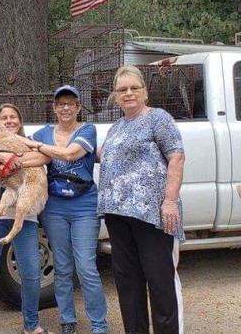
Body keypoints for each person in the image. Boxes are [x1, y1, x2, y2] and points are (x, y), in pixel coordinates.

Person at [98, 65, 186, 334]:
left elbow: (177, 157)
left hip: (152, 215)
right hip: (118, 215)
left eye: (134, 87)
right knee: (128, 283)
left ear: (145, 92)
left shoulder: (158, 119)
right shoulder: (116, 127)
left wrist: (169, 201)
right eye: (122, 89)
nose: (128, 93)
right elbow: (103, 156)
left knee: (159, 283)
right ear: (115, 96)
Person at [21, 86, 109, 334]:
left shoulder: (87, 130)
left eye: (71, 103)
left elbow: (70, 155)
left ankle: (99, 323)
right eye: (61, 104)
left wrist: (40, 148)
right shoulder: (43, 133)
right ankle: (67, 319)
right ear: (54, 108)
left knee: (86, 267)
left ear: (79, 107)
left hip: (84, 206)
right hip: (54, 207)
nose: (66, 108)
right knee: (61, 266)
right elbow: (26, 153)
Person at [0, 103, 53, 334]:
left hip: (24, 214)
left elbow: (44, 157)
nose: (9, 121)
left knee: (32, 272)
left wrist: (16, 158)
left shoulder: (30, 141)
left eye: (13, 117)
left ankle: (31, 325)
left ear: (20, 121)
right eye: (4, 117)